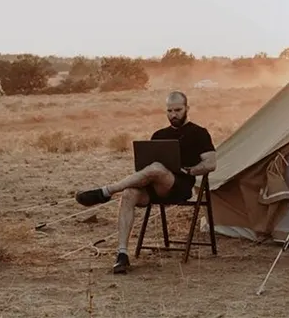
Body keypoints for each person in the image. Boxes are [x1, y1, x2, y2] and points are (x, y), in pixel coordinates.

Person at [74, 90, 217, 274]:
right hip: (154, 187)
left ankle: (106, 191)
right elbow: (145, 169)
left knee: (156, 167)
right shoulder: (159, 134)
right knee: (128, 194)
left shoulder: (199, 133)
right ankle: (122, 255)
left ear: (187, 108)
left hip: (179, 186)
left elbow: (211, 164)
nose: (173, 115)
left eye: (178, 110)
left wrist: (190, 170)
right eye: (169, 111)